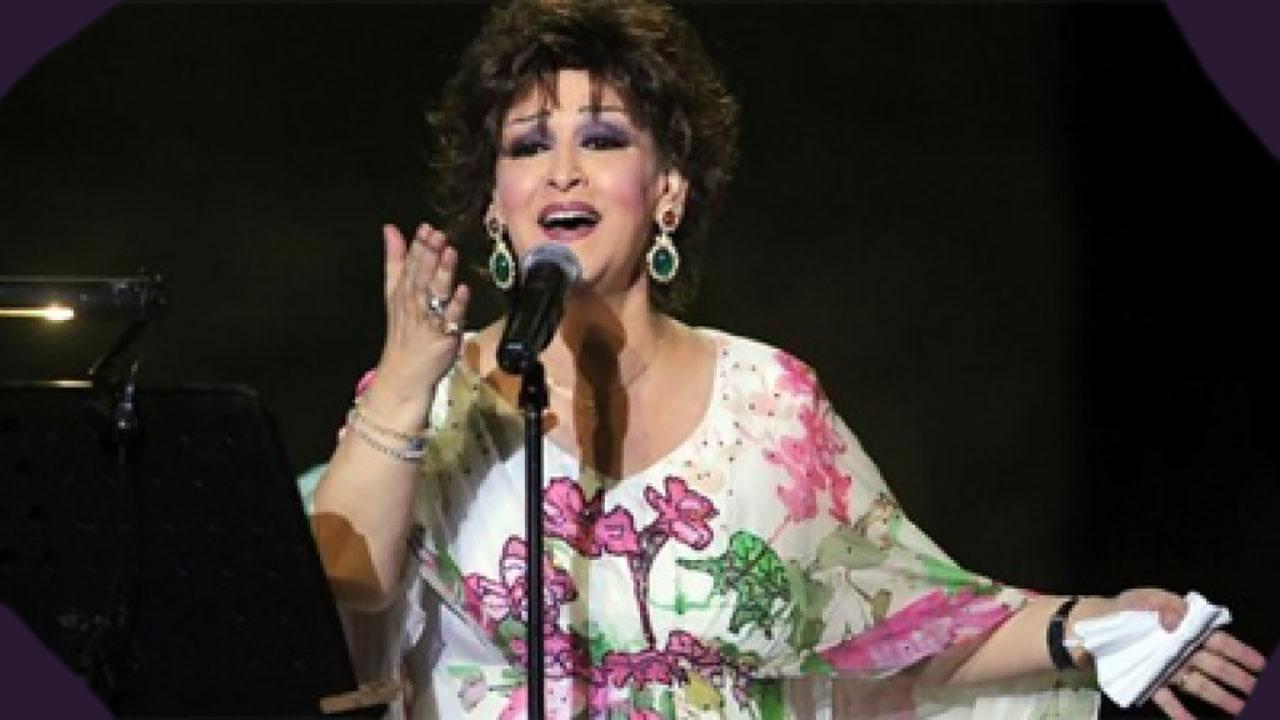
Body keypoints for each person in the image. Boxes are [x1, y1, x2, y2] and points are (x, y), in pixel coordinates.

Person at [310, 1, 1266, 717]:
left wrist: (1085, 625)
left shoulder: (769, 408)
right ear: (497, 204)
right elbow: (332, 598)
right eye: (529, 146)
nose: (562, 169)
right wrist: (405, 383)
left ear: (668, 190)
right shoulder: (442, 397)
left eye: (601, 138)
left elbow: (901, 627)